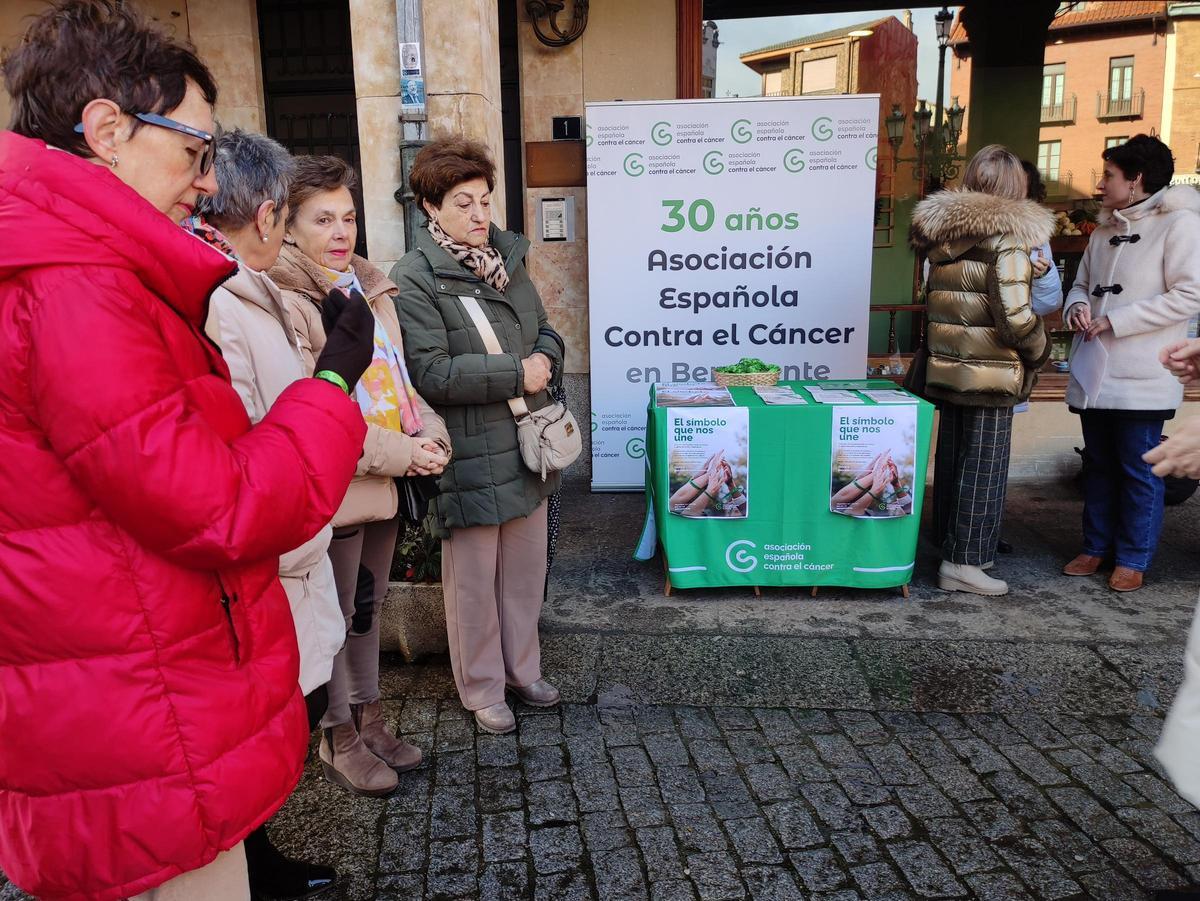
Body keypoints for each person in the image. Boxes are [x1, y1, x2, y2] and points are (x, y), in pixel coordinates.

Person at [0, 3, 374, 900]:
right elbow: (219, 505)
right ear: (107, 131)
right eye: (196, 151)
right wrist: (331, 389)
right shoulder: (77, 284)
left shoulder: (71, 264)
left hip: (121, 693)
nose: (208, 183)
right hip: (139, 718)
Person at [270, 155, 451, 797]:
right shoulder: (289, 298)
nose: (341, 231)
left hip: (385, 474)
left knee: (367, 610)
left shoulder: (368, 284)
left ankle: (371, 718)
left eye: (348, 216)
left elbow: (398, 381)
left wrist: (430, 432)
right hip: (335, 481)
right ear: (288, 225)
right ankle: (338, 735)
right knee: (338, 612)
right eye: (323, 219)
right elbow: (315, 407)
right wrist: (405, 454)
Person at [196, 129, 344, 899]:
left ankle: (260, 861)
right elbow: (255, 436)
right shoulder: (220, 304)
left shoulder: (258, 291)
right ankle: (250, 868)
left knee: (284, 720)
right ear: (266, 214)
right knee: (264, 727)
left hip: (296, 545)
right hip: (273, 553)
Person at [391, 137, 566, 735]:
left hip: (526, 442)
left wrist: (544, 356)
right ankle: (483, 687)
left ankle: (524, 669)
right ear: (430, 207)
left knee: (523, 572)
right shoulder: (414, 277)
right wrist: (517, 372)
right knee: (472, 581)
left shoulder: (506, 259)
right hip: (467, 449)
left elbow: (546, 330)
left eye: (485, 201)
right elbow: (430, 372)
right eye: (463, 203)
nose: (479, 215)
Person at [910, 144, 1052, 596]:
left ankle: (950, 543)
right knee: (984, 466)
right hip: (990, 374)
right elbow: (1015, 320)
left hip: (948, 368)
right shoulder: (1007, 239)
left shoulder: (943, 238)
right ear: (1015, 188)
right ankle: (965, 562)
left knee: (953, 460)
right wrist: (1040, 350)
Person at [1061, 134, 1200, 592]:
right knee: (1097, 464)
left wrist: (1115, 319)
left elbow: (1190, 295)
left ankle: (1133, 556)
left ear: (1136, 179)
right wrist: (1077, 308)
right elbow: (1080, 285)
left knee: (1139, 468)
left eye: (1108, 176)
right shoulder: (1103, 231)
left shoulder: (1180, 225)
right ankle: (1095, 546)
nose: (1101, 185)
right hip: (1095, 372)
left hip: (1142, 373)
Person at [1021, 160, 1066, 317]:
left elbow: (1047, 306)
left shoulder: (1036, 234)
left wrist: (1044, 275)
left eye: (1021, 187)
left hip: (1018, 332)